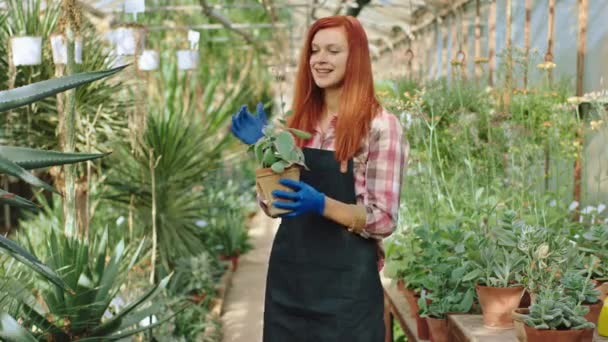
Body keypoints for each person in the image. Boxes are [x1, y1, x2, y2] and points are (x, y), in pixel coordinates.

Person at [230, 15, 408, 342]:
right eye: (314, 50)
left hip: (347, 292)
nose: (320, 59)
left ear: (355, 57)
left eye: (332, 50)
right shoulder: (297, 125)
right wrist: (265, 148)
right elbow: (273, 206)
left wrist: (321, 204)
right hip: (290, 283)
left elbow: (383, 218)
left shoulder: (381, 127)